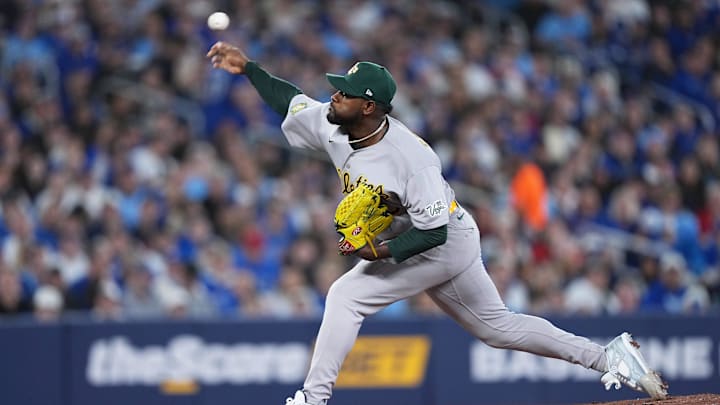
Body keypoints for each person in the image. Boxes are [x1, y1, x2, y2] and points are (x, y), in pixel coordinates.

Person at [206, 41, 668, 405]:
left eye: (345, 92)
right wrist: (249, 69)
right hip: (437, 237)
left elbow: (434, 233)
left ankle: (313, 398)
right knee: (497, 328)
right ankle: (609, 356)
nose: (335, 95)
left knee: (346, 295)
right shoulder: (333, 123)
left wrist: (379, 252)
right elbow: (290, 101)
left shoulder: (413, 157)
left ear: (369, 107)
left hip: (442, 240)